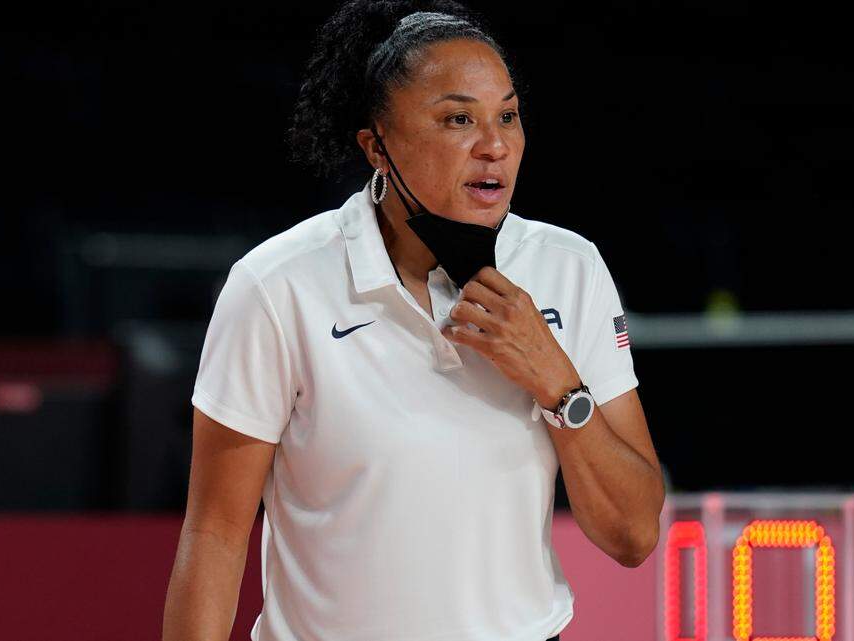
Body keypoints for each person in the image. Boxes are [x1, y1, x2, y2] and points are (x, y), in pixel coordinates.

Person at [163, 2, 664, 640]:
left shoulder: (570, 267)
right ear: (377, 145)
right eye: (459, 119)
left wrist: (557, 384)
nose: (496, 145)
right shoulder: (277, 286)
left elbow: (633, 534)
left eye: (507, 116)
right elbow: (214, 534)